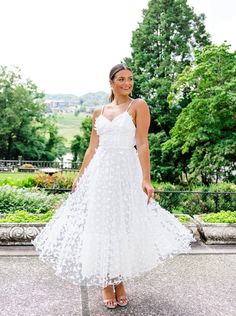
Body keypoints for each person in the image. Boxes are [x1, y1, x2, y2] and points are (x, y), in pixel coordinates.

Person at [32, 63, 196, 309]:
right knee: (101, 225)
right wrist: (80, 175)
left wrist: (146, 178)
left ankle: (119, 280)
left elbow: (142, 144)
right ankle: (106, 282)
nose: (127, 83)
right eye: (121, 79)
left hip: (126, 173)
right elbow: (92, 147)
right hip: (101, 174)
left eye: (130, 79)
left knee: (123, 225)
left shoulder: (138, 106)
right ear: (111, 82)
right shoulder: (98, 111)